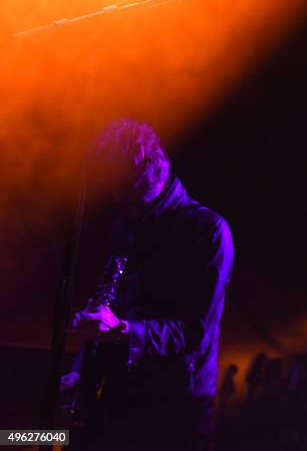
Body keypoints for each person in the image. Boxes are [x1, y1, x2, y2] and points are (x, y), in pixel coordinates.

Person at [63, 118, 233, 450]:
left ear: (147, 174)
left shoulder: (206, 231)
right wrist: (80, 367)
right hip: (116, 398)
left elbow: (194, 332)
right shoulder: (127, 225)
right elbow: (108, 304)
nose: (114, 196)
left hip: (172, 413)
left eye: (120, 185)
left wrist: (123, 330)